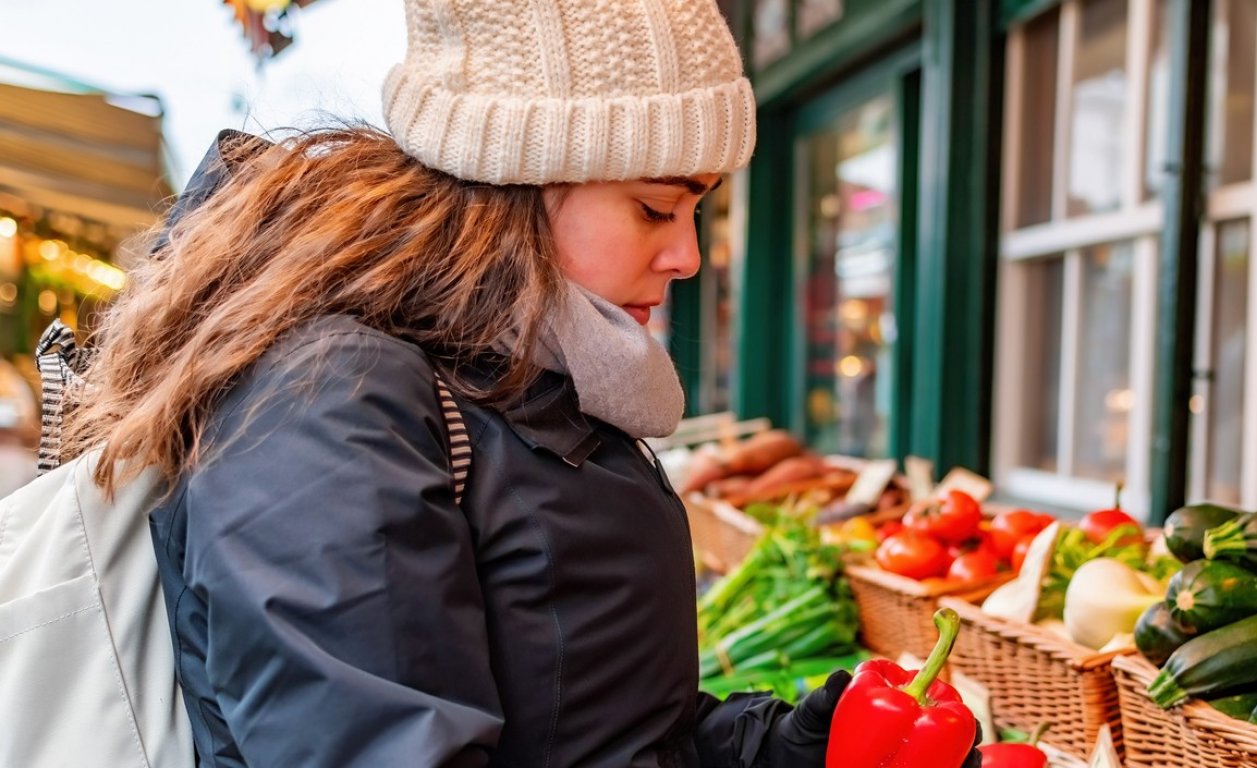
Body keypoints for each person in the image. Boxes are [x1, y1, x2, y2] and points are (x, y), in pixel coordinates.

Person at [67, 1, 981, 766]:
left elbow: (594, 732)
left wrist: (779, 749)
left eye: (700, 209)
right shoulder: (330, 399)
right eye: (656, 207)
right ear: (515, 181)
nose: (689, 255)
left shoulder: (518, 379)